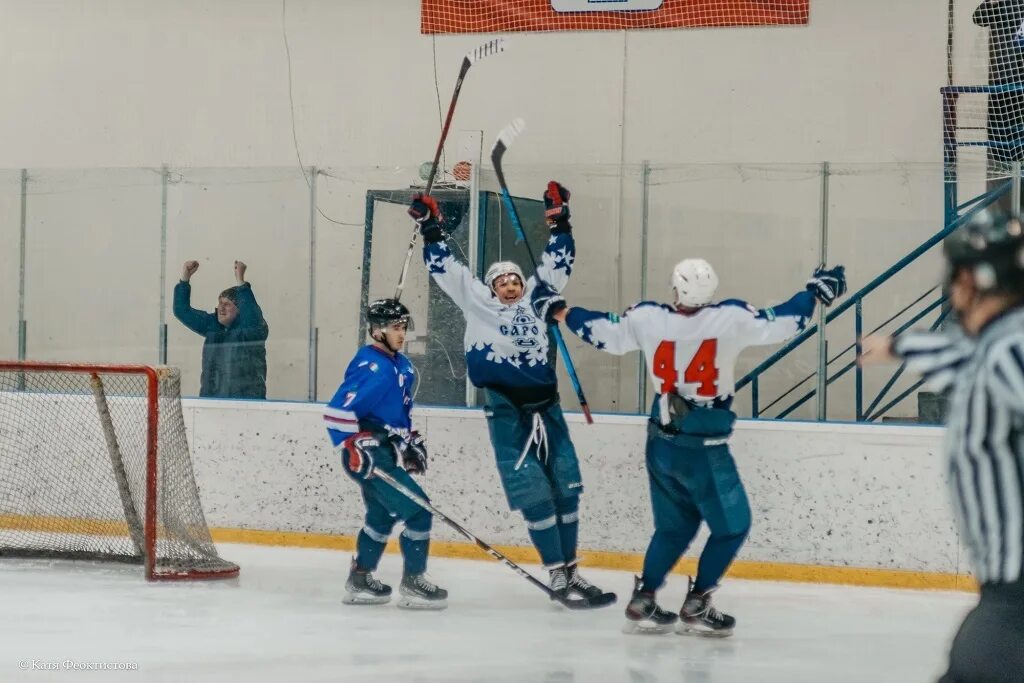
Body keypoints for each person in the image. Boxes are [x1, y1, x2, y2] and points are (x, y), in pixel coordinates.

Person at [532, 259, 847, 635]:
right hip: (704, 445)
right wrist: (813, 292)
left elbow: (603, 331)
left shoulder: (648, 318)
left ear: (675, 288)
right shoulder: (731, 318)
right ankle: (698, 602)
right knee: (733, 526)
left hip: (661, 441)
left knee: (674, 526)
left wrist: (558, 309)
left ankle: (644, 596)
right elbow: (787, 320)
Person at [409, 183, 614, 607]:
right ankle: (557, 573)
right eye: (501, 280)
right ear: (491, 286)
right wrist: (431, 227)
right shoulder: (477, 300)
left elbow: (559, 259)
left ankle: (572, 570)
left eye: (514, 279)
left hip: (548, 408)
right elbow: (446, 267)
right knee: (534, 492)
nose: (509, 285)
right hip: (507, 412)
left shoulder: (539, 298)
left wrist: (559, 218)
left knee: (567, 488)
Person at [860, 207, 1024, 682]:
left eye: (956, 278)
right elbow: (957, 355)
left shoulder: (1009, 350)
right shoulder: (993, 346)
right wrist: (893, 347)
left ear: (975, 279)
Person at [323, 298, 446, 610]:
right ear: (377, 330)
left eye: (403, 326)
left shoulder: (402, 365)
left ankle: (360, 580)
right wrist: (351, 444)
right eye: (395, 327)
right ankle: (414, 581)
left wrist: (408, 442)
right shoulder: (372, 366)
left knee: (380, 517)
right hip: (368, 454)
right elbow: (337, 412)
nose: (401, 333)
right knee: (419, 511)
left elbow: (394, 416)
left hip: (386, 451)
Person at [173, 260, 269, 399]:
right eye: (219, 303)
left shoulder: (251, 331)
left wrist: (241, 282)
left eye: (227, 304)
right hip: (211, 401)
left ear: (240, 309)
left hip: (247, 404)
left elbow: (252, 314)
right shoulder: (212, 326)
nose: (221, 308)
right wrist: (184, 280)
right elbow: (182, 311)